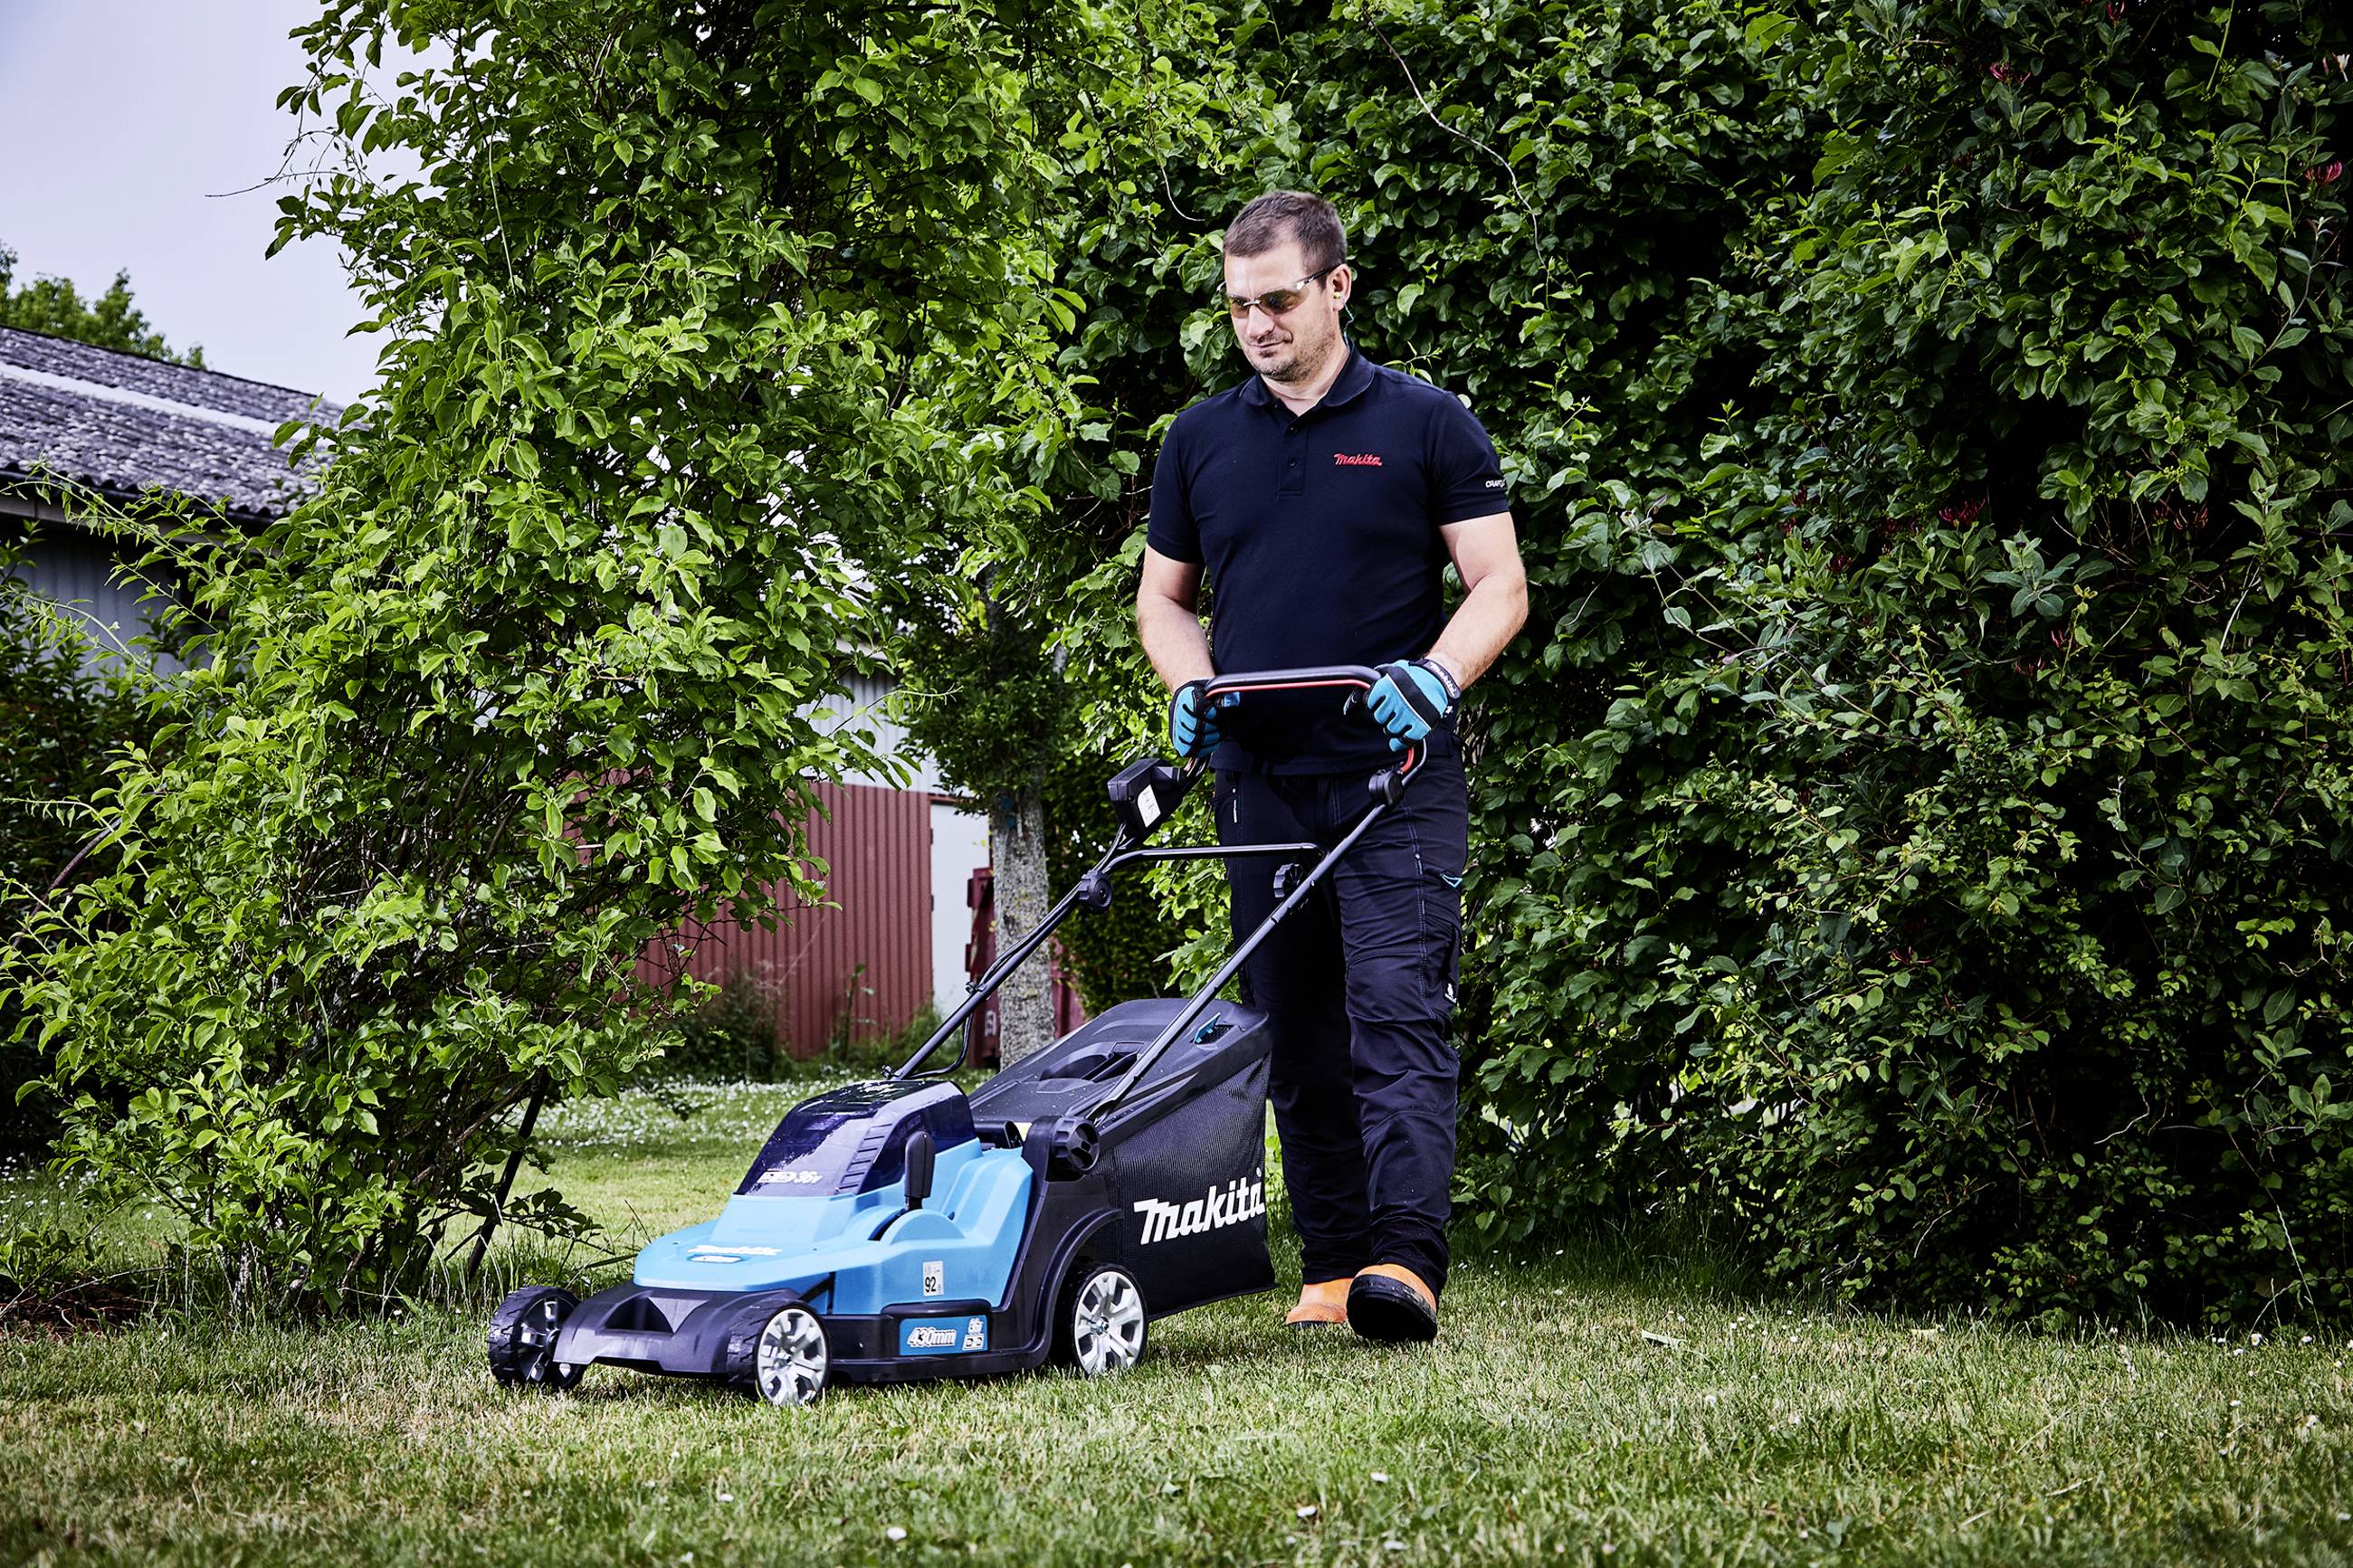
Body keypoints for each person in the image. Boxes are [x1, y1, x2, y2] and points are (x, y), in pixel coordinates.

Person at [1134, 190, 1528, 1344]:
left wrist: (1438, 677)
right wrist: (1187, 688)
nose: (1256, 325)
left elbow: (1498, 583)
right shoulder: (1200, 440)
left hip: (1391, 773)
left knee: (1395, 1013)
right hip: (1259, 778)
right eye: (1238, 307)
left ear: (1336, 288)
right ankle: (1331, 1262)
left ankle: (1404, 1264)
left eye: (1278, 300)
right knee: (1292, 1024)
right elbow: (1163, 600)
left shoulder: (1424, 423)